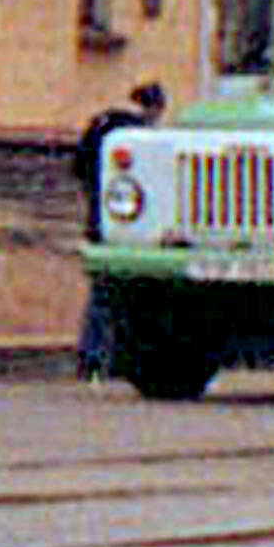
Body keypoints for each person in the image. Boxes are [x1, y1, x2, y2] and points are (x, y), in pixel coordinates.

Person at [64, 80, 166, 379]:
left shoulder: (102, 126)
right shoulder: (142, 138)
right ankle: (106, 358)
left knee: (102, 291)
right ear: (154, 108)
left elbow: (78, 169)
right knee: (120, 294)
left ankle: (92, 358)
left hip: (101, 218)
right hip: (131, 228)